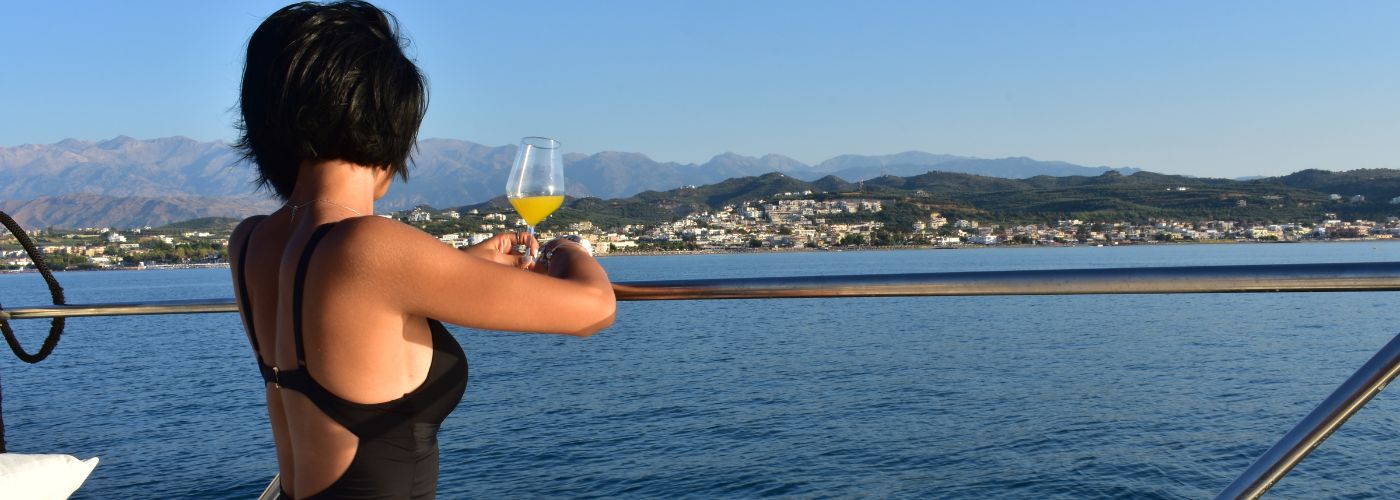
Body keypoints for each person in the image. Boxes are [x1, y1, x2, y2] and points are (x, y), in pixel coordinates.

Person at [227, 2, 616, 498]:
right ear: (389, 121)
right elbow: (593, 310)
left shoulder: (251, 241)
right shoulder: (367, 245)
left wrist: (463, 266)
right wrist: (567, 248)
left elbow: (357, 315)